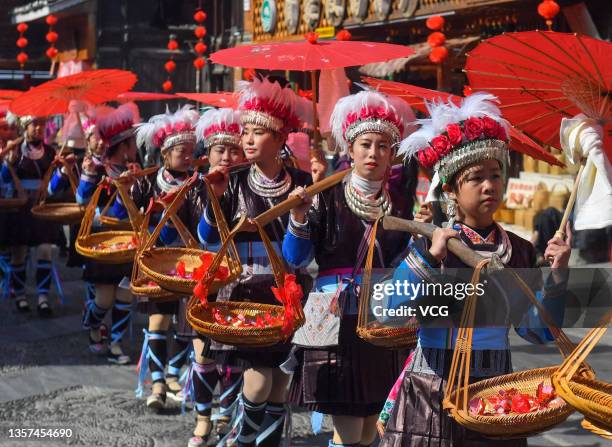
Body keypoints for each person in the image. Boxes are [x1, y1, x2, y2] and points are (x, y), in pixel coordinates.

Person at [378, 93, 571, 446]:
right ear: (451, 189)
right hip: (433, 384)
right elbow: (392, 312)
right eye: (476, 178)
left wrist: (558, 277)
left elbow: (536, 332)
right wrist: (427, 259)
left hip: (495, 385)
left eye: (496, 175)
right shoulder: (434, 244)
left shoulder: (521, 251)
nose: (489, 185)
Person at [282, 90, 418, 447]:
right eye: (366, 145)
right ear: (350, 150)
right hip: (334, 314)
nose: (374, 153)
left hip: (381, 316)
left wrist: (420, 235)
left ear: (392, 155)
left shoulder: (401, 204)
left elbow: (405, 264)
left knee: (372, 424)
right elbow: (295, 257)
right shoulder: (326, 196)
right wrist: (297, 217)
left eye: (383, 146)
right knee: (347, 427)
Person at [197, 76, 312, 447]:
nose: (246, 139)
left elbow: (298, 257)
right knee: (259, 376)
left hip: (286, 294)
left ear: (280, 139)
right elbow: (208, 240)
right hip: (243, 293)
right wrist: (214, 201)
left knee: (279, 381)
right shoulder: (229, 181)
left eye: (258, 132)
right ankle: (242, 440)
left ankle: (267, 442)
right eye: (244, 131)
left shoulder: (302, 183)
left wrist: (298, 217)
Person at [181, 107, 246, 447]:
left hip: (242, 280)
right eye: (220, 150)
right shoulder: (196, 187)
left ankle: (226, 415)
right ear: (207, 155)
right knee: (204, 356)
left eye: (234, 149)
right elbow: (202, 234)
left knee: (234, 357)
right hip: (207, 280)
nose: (227, 156)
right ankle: (203, 418)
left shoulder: (249, 186)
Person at [130, 105, 200, 411]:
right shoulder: (146, 183)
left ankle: (174, 373)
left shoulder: (199, 184)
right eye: (181, 151)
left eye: (190, 150)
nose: (187, 156)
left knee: (188, 322)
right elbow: (131, 217)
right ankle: (157, 384)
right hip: (157, 262)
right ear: (165, 154)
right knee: (158, 321)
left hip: (190, 265)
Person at [78, 102, 140, 364]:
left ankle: (116, 342)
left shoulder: (138, 173)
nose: (136, 148)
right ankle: (92, 325)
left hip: (129, 243)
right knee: (104, 299)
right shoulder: (98, 171)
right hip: (103, 243)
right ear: (124, 148)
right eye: (133, 144)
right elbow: (82, 199)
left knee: (125, 295)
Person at [1, 114, 71, 316]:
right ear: (25, 127)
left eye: (42, 125)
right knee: (19, 253)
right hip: (20, 207)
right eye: (34, 125)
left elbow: (56, 185)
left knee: (45, 250)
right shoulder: (15, 150)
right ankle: (21, 295)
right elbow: (4, 179)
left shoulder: (49, 152)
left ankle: (42, 297)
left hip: (41, 207)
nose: (39, 129)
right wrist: (9, 164)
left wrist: (61, 172)